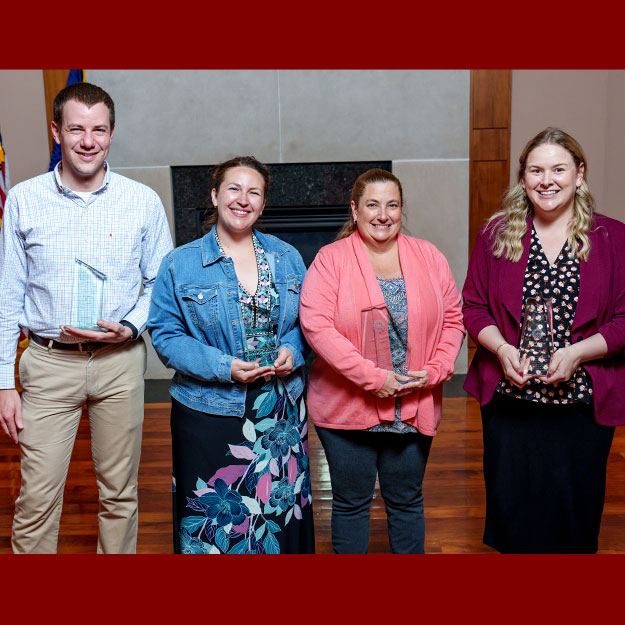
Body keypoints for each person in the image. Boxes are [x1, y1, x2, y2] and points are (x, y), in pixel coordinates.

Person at [0, 82, 173, 553]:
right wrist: (3, 385)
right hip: (49, 365)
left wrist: (133, 325)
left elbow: (161, 283)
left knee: (120, 495)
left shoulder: (142, 201)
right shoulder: (24, 199)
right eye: (76, 128)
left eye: (98, 129)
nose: (88, 140)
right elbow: (6, 298)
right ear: (56, 131)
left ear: (112, 134)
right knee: (37, 498)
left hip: (120, 362)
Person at [463, 127, 625, 554]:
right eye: (536, 170)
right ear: (523, 179)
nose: (546, 179)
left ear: (579, 174)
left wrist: (576, 353)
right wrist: (500, 349)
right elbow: (474, 307)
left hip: (582, 407)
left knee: (574, 519)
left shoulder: (614, 238)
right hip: (511, 403)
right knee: (513, 517)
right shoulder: (496, 235)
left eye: (558, 169)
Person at [147, 156, 315, 554]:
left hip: (280, 412)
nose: (243, 200)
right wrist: (224, 368)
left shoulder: (287, 256)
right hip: (209, 410)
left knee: (279, 513)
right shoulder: (180, 263)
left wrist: (293, 349)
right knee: (216, 524)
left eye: (253, 192)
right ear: (215, 195)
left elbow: (308, 322)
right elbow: (167, 335)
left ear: (263, 202)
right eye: (233, 189)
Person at [299, 168, 464, 553]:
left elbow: (454, 319)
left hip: (414, 403)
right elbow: (316, 326)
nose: (383, 214)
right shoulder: (330, 259)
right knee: (352, 504)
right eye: (373, 205)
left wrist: (438, 370)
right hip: (348, 409)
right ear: (355, 210)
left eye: (392, 205)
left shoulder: (430, 256)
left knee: (406, 502)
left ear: (401, 209)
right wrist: (375, 379)